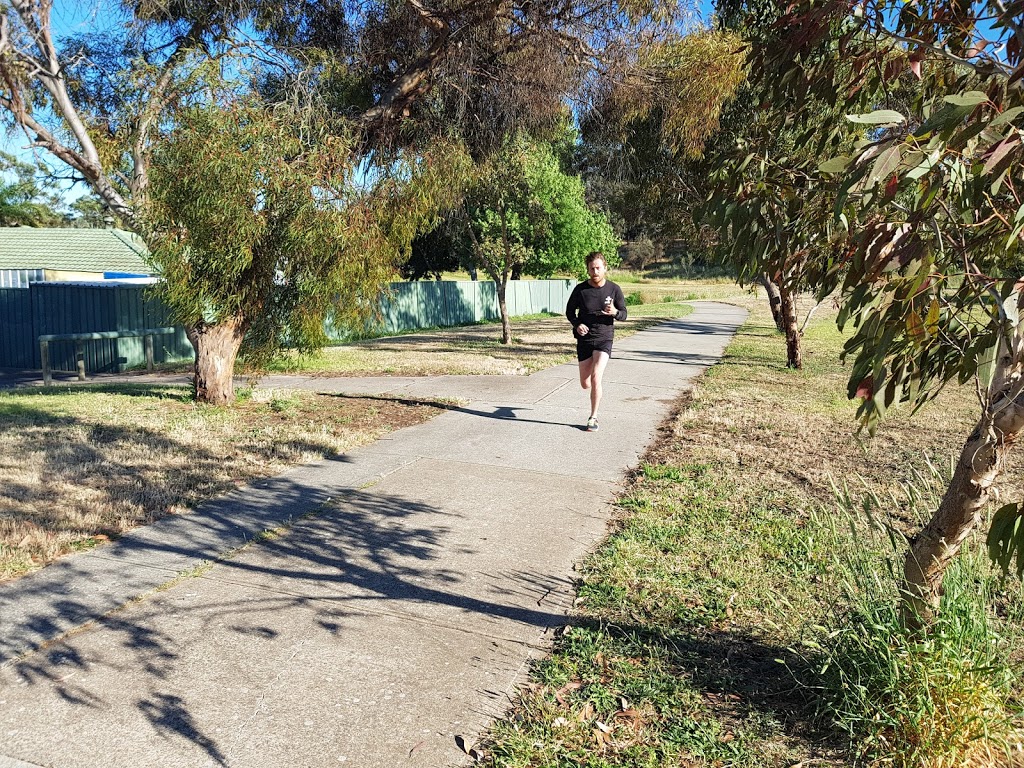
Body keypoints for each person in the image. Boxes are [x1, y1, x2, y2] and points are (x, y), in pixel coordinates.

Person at [565, 251, 627, 432]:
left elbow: (624, 314)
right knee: (585, 383)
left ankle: (593, 417)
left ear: (605, 268)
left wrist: (615, 312)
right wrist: (577, 324)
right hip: (585, 339)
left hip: (604, 338)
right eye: (591, 269)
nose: (595, 272)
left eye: (598, 268)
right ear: (588, 270)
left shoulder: (614, 289)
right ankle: (593, 388)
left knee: (596, 376)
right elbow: (570, 312)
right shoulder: (581, 290)